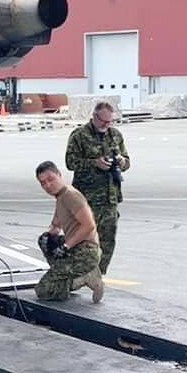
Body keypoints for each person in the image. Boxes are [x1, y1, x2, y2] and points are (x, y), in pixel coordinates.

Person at [64, 99, 130, 274]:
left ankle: (98, 274)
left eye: (110, 121)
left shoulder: (115, 135)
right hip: (86, 199)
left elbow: (127, 161)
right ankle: (77, 273)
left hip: (110, 198)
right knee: (83, 239)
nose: (106, 125)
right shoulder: (79, 135)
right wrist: (94, 163)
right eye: (103, 121)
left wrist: (122, 162)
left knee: (107, 239)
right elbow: (70, 162)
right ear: (94, 117)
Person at [32, 161, 106, 304]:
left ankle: (85, 278)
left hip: (86, 251)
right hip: (77, 247)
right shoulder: (61, 197)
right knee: (46, 241)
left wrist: (66, 246)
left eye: (51, 179)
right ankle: (63, 274)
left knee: (44, 290)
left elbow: (89, 226)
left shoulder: (71, 196)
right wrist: (48, 236)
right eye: (43, 183)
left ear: (59, 175)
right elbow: (55, 225)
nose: (47, 185)